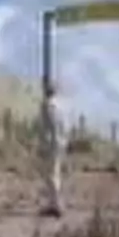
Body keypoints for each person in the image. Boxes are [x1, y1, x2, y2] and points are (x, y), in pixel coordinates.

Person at [37, 80, 64, 217]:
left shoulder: (48, 105)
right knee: (54, 173)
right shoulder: (59, 105)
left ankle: (55, 205)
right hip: (58, 142)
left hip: (51, 143)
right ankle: (54, 203)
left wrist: (45, 144)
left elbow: (49, 126)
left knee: (50, 174)